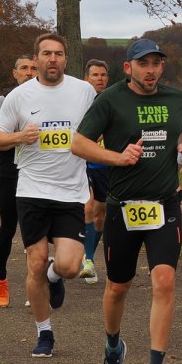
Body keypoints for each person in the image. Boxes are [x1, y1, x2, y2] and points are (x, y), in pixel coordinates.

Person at [72, 38, 182, 364]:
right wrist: (117, 157)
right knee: (117, 287)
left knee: (165, 281)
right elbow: (78, 143)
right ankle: (113, 348)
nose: (151, 70)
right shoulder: (111, 99)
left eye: (157, 63)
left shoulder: (177, 99)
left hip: (164, 205)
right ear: (128, 68)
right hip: (123, 207)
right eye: (144, 64)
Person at [0, 34, 97, 355]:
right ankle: (44, 332)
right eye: (46, 53)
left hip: (71, 192)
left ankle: (55, 276)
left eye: (58, 54)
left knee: (70, 266)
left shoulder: (84, 91)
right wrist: (19, 137)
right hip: (32, 190)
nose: (53, 59)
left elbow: (101, 129)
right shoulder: (19, 96)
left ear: (66, 59)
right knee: (35, 264)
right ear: (36, 60)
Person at [0, 55, 37, 307]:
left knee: (34, 232)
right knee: (8, 226)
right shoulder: (4, 100)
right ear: (14, 73)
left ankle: (35, 286)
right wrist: (17, 137)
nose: (29, 72)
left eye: (33, 68)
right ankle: (1, 277)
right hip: (11, 172)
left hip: (39, 172)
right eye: (24, 68)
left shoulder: (48, 99)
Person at [80, 58, 111, 285]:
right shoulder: (80, 102)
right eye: (95, 75)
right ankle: (88, 261)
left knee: (101, 216)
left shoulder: (113, 101)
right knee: (88, 207)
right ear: (86, 78)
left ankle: (88, 250)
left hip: (106, 165)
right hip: (84, 164)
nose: (99, 79)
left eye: (103, 75)